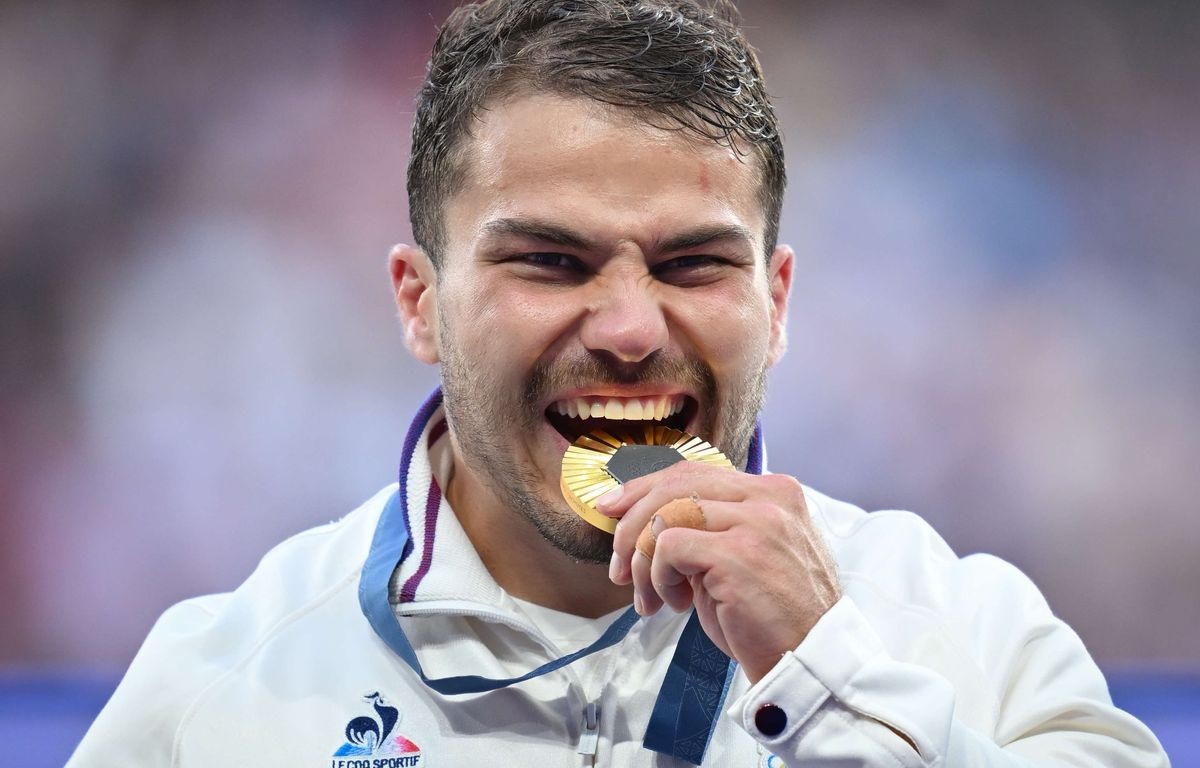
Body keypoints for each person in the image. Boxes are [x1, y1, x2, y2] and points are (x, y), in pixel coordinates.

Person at [70, 1, 1169, 765]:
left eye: (694, 263)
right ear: (419, 303)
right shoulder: (220, 695)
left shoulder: (967, 637)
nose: (633, 328)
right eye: (550, 261)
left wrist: (833, 681)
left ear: (776, 303)